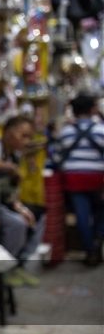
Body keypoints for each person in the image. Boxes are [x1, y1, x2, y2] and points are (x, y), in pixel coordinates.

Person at [0, 115, 46, 285]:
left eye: (29, 137)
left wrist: (21, 207)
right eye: (23, 136)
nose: (26, 141)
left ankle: (18, 265)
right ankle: (5, 268)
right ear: (8, 133)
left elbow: (13, 193)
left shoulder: (16, 155)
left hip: (6, 202)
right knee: (16, 224)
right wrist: (10, 167)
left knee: (38, 218)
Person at [54, 93, 104, 266]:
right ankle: (98, 237)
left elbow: (56, 156)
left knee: (81, 215)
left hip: (73, 179)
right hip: (98, 179)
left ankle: (90, 251)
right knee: (101, 211)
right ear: (93, 109)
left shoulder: (65, 132)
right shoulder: (101, 130)